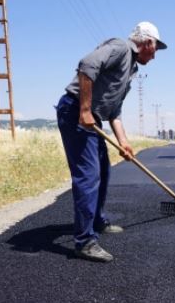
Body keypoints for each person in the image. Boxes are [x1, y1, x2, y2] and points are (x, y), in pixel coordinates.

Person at [55, 22, 167, 262]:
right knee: (88, 175)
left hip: (91, 117)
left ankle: (97, 220)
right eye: (156, 48)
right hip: (75, 110)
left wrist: (124, 142)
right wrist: (84, 109)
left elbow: (114, 111)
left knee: (104, 170)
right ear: (147, 42)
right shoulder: (120, 47)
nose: (155, 55)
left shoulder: (131, 70)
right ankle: (84, 241)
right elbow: (87, 65)